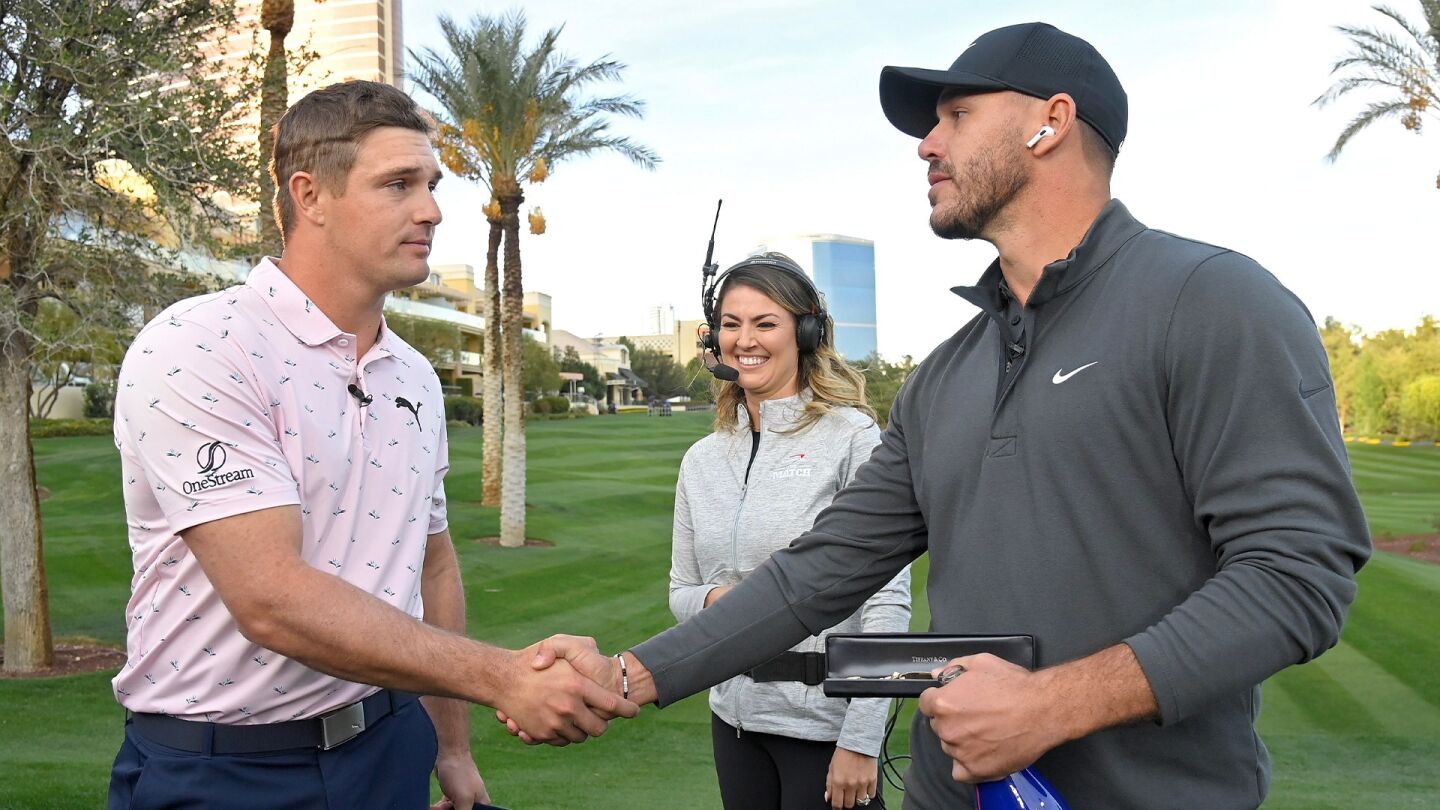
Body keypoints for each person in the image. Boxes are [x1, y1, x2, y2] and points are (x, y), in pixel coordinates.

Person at [520, 22, 1371, 809]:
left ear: (1051, 122)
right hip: (946, 790)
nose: (927, 144)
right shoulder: (945, 376)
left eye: (957, 115)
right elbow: (817, 572)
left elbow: (1299, 573)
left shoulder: (1213, 302)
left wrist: (1052, 705)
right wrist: (628, 675)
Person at [107, 80, 635, 810]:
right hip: (226, 772)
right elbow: (270, 598)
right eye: (398, 184)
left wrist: (451, 747)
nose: (431, 209)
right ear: (310, 195)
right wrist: (503, 677)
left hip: (388, 751)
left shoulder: (413, 374)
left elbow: (432, 559)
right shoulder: (201, 346)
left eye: (431, 185)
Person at [672, 255, 912, 809]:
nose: (745, 340)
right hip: (732, 722)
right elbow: (681, 590)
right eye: (731, 324)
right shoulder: (702, 460)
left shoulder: (853, 438)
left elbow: (886, 602)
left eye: (765, 323)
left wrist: (861, 740)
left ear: (804, 332)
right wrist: (725, 603)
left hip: (826, 731)